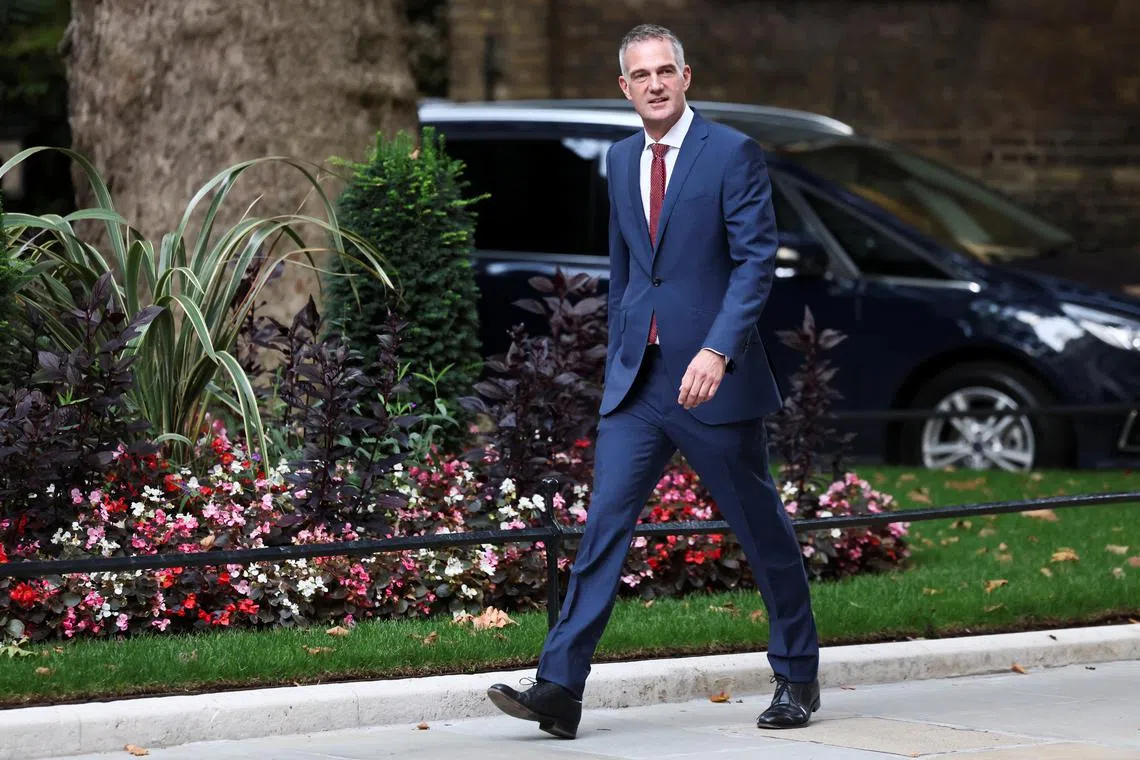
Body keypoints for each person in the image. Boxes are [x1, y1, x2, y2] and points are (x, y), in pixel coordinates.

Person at [486, 23, 821, 739]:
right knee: (603, 526)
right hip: (638, 384)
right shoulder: (618, 158)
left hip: (713, 382)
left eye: (666, 70)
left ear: (687, 76)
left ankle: (796, 672)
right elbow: (630, 268)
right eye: (642, 75)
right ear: (625, 87)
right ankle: (560, 688)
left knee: (761, 530)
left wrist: (718, 351)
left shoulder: (732, 153)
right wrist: (621, 352)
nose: (656, 84)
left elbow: (756, 263)